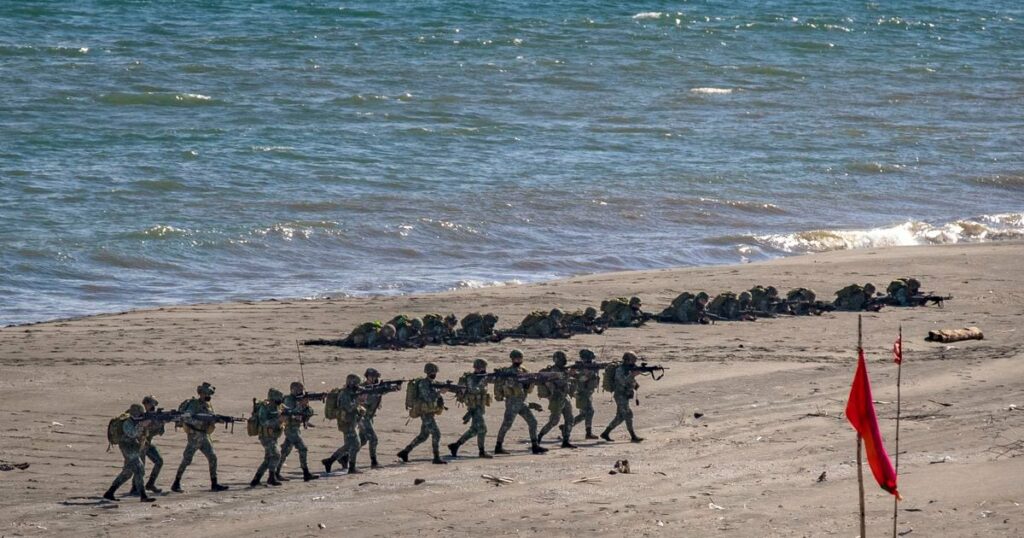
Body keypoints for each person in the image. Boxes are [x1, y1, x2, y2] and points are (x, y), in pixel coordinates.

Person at [171, 382, 229, 493]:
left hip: (204, 436)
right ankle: (176, 482)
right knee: (187, 460)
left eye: (210, 394)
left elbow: (210, 418)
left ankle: (214, 483)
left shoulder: (208, 405)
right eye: (207, 394)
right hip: (195, 436)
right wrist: (199, 423)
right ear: (201, 393)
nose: (209, 396)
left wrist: (217, 420)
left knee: (213, 457)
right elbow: (186, 418)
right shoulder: (194, 405)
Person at [494, 350, 547, 455]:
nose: (518, 360)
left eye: (520, 358)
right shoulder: (507, 372)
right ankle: (498, 446)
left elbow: (529, 388)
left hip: (522, 402)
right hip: (512, 401)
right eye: (516, 358)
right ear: (512, 359)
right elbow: (501, 385)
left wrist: (529, 383)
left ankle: (535, 445)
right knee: (507, 424)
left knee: (533, 422)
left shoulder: (524, 370)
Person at [103, 404, 156, 502]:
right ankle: (143, 496)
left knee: (127, 473)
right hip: (127, 447)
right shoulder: (127, 423)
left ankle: (110, 492)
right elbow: (132, 434)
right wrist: (141, 425)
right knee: (139, 469)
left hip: (133, 447)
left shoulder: (136, 421)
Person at [398, 363, 448, 464]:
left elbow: (441, 385)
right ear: (427, 372)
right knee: (436, 434)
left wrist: (451, 387)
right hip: (425, 413)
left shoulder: (434, 382)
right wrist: (439, 392)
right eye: (432, 372)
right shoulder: (423, 384)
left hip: (430, 412)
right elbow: (428, 397)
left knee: (423, 436)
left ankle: (405, 452)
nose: (434, 374)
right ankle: (436, 457)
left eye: (435, 372)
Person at [448, 358, 493, 459]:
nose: (483, 370)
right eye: (481, 368)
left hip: (479, 407)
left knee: (473, 430)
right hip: (474, 407)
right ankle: (481, 452)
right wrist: (482, 380)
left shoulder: (481, 377)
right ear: (477, 368)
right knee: (483, 429)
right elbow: (474, 390)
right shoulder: (471, 378)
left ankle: (455, 445)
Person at [323, 374, 365, 474]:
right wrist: (357, 403)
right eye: (357, 384)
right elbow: (348, 408)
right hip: (346, 423)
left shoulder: (351, 393)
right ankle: (352, 467)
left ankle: (330, 461)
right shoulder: (345, 394)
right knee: (355, 444)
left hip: (350, 421)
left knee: (349, 445)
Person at [278, 381, 318, 481]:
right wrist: (300, 405)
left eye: (301, 389)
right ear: (292, 390)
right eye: (298, 389)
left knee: (285, 451)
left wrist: (306, 405)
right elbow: (291, 413)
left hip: (295, 429)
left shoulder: (300, 399)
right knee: (303, 448)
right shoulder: (289, 400)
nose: (300, 391)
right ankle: (306, 473)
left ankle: (275, 472)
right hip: (290, 429)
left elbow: (309, 412)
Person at [600, 352, 644, 443]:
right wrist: (632, 375)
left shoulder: (628, 369)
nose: (634, 363)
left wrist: (635, 382)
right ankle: (633, 436)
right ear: (627, 360)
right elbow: (622, 382)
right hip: (620, 395)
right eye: (632, 360)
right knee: (628, 414)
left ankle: (606, 432)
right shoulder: (620, 370)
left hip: (625, 395)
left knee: (620, 417)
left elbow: (631, 381)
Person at [537, 351, 576, 448]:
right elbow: (559, 383)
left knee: (570, 419)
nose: (563, 361)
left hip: (565, 397)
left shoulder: (564, 370)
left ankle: (566, 440)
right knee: (554, 421)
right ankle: (539, 437)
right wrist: (568, 374)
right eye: (561, 359)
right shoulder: (552, 371)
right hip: (556, 398)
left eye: (564, 359)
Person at [129, 396, 164, 495]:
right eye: (150, 404)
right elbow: (138, 429)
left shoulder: (154, 416)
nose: (152, 406)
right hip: (139, 444)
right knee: (140, 467)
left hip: (147, 443)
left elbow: (157, 432)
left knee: (159, 461)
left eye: (153, 405)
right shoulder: (139, 416)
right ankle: (135, 488)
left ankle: (150, 484)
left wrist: (162, 423)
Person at [250, 388, 285, 487]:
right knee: (277, 454)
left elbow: (287, 410)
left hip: (273, 436)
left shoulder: (278, 407)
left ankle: (256, 479)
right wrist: (278, 420)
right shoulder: (264, 408)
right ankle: (271, 477)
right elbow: (264, 423)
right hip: (265, 436)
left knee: (268, 459)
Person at [572, 349, 601, 439]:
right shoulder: (580, 369)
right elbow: (581, 379)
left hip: (587, 394)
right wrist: (589, 373)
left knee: (584, 414)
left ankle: (566, 427)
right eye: (588, 360)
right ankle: (588, 433)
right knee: (589, 412)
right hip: (582, 394)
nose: (590, 361)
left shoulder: (589, 367)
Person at [358, 368, 384, 468]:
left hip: (369, 417)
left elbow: (385, 391)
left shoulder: (375, 387)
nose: (376, 379)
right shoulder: (362, 389)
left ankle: (340, 457)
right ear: (368, 377)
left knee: (362, 440)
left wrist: (395, 387)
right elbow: (365, 401)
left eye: (377, 377)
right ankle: (374, 461)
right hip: (362, 418)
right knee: (373, 439)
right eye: (374, 377)